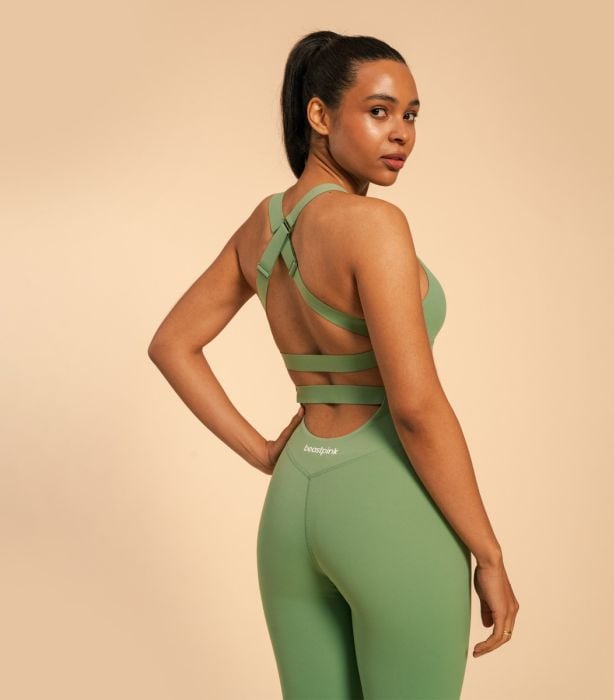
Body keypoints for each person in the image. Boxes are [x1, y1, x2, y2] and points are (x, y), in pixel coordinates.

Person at [148, 29, 519, 700]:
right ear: (319, 115)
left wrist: (266, 453)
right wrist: (488, 553)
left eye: (411, 115)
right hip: (386, 505)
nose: (401, 133)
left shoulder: (263, 226)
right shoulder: (374, 225)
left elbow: (172, 343)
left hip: (293, 505)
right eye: (378, 111)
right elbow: (415, 408)